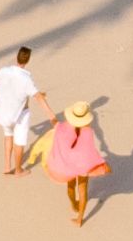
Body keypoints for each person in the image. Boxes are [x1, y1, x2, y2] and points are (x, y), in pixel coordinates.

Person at [44, 97, 112, 227]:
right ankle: (80, 219)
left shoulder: (62, 128)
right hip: (82, 166)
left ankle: (73, 204)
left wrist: (43, 101)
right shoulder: (88, 132)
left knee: (70, 187)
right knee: (83, 191)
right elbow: (90, 151)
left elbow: (52, 118)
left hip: (68, 165)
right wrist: (101, 163)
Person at [0, 46, 49, 176]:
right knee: (19, 141)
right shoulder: (27, 79)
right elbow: (37, 97)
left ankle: (6, 166)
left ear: (17, 57)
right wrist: (52, 117)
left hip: (4, 112)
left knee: (8, 135)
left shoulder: (4, 71)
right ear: (28, 60)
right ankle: (18, 170)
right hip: (20, 114)